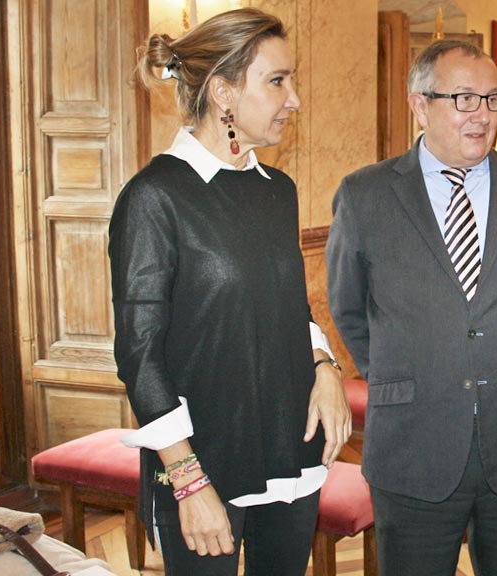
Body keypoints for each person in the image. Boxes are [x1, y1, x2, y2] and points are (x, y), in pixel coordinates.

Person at [108, 9, 351, 575]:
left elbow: (289, 306)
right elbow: (139, 355)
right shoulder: (154, 197)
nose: (293, 99)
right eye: (277, 81)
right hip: (201, 464)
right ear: (222, 91)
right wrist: (188, 483)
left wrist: (326, 367)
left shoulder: (277, 190)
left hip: (293, 448)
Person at [326, 39, 497, 575]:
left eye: (492, 99)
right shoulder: (365, 195)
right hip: (414, 444)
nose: (482, 115)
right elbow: (348, 308)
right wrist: (408, 372)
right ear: (420, 103)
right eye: (464, 99)